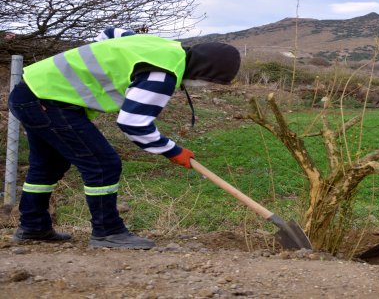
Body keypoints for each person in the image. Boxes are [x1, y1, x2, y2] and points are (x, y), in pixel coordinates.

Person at [8, 27, 241, 249]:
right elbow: (133, 123)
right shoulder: (161, 76)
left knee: (49, 165)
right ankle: (108, 231)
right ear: (204, 71)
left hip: (32, 92)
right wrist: (173, 151)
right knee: (102, 163)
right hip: (47, 102)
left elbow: (110, 33)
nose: (204, 87)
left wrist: (95, 70)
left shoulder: (160, 47)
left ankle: (33, 226)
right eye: (210, 82)